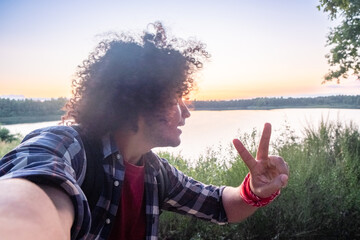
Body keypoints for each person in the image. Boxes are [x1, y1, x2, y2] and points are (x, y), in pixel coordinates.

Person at [0, 22, 289, 240]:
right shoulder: (67, 145)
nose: (186, 112)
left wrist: (254, 190)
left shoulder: (155, 172)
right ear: (137, 102)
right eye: (176, 100)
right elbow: (29, 194)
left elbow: (220, 205)